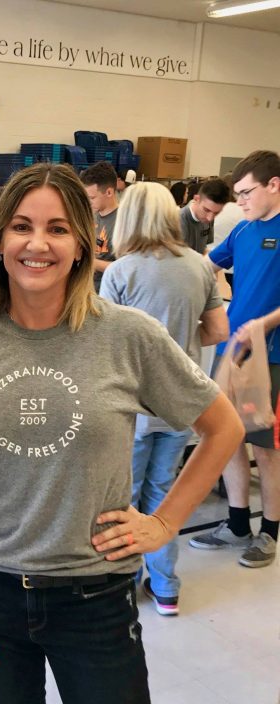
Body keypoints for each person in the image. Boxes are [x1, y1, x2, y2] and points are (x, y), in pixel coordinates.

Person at [0, 163, 243, 704]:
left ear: (82, 245)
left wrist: (164, 524)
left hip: (94, 595)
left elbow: (223, 427)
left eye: (57, 229)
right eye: (22, 226)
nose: (38, 244)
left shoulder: (127, 334)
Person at [100, 182, 229, 615]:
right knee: (162, 493)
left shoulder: (122, 271)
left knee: (125, 498)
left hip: (132, 407)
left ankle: (125, 584)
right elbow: (217, 331)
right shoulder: (199, 266)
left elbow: (103, 346)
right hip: (182, 406)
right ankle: (167, 587)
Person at [189, 150, 280, 568]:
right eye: (237, 195)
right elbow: (204, 265)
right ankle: (238, 522)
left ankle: (269, 532)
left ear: (273, 185)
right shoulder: (243, 232)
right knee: (225, 436)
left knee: (266, 447)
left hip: (271, 354)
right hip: (232, 348)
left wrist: (264, 323)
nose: (239, 201)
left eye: (246, 193)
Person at [80, 160, 119, 291]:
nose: (88, 203)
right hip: (87, 288)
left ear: (109, 192)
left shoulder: (123, 224)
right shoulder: (92, 215)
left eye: (92, 198)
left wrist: (91, 263)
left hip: (107, 293)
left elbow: (127, 270)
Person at [178, 178, 230, 254]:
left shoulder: (209, 217)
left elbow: (205, 248)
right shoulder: (178, 220)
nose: (210, 218)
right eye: (206, 210)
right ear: (196, 199)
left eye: (216, 213)